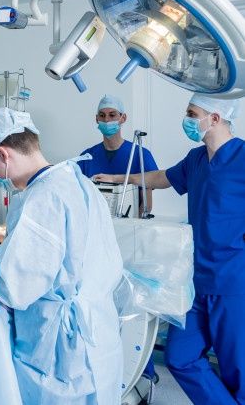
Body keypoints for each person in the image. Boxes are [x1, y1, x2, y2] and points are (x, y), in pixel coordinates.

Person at [94, 93, 245, 404]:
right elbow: (162, 177)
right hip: (196, 283)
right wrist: (121, 179)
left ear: (214, 118)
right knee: (180, 357)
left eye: (192, 113)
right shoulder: (197, 159)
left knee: (237, 371)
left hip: (234, 283)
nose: (187, 119)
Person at [0, 107, 123, 404]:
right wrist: (13, 244)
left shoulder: (41, 199)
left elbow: (14, 287)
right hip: (99, 334)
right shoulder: (77, 182)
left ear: (3, 154)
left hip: (60, 353)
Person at [80, 94, 159, 212]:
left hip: (130, 225)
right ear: (97, 119)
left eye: (112, 115)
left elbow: (146, 207)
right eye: (102, 115)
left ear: (123, 118)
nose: (106, 120)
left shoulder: (140, 155)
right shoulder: (87, 157)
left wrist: (131, 226)